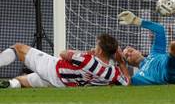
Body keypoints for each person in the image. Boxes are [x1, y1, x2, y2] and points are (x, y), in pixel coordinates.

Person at [0, 34, 130, 88]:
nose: (94, 47)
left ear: (100, 51)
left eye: (96, 45)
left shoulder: (88, 59)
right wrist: (122, 63)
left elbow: (63, 54)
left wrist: (85, 52)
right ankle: (10, 85)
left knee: (18, 48)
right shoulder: (113, 73)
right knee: (22, 81)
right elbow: (126, 83)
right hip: (63, 83)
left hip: (53, 69)